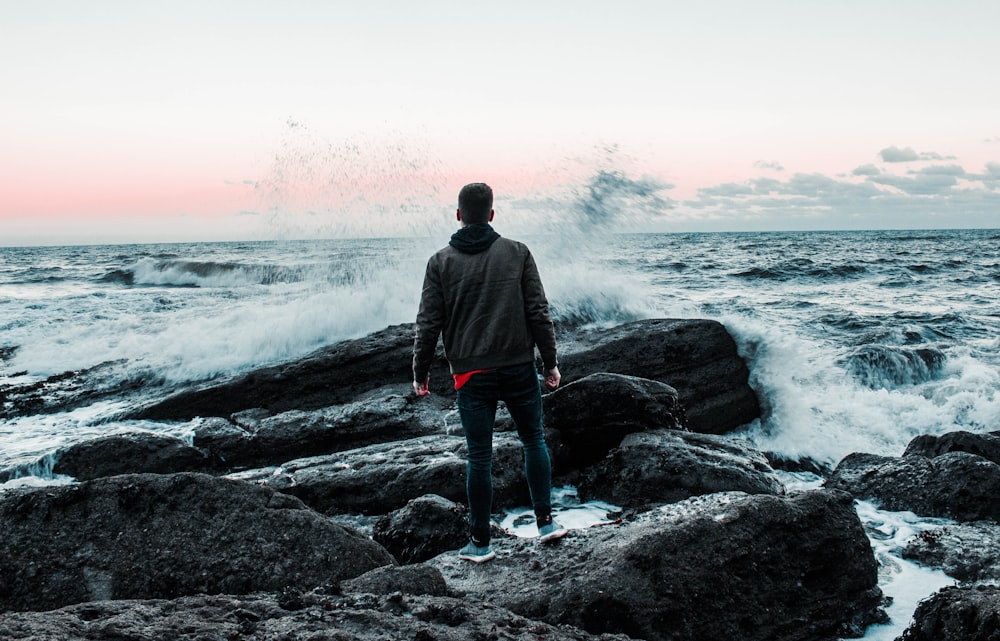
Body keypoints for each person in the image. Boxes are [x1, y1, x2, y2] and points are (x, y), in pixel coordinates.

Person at [412, 182, 567, 562]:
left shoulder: (440, 262)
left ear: (459, 215)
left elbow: (428, 323)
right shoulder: (517, 252)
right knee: (533, 440)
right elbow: (538, 312)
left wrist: (420, 371)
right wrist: (550, 362)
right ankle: (545, 523)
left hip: (471, 376)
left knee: (479, 457)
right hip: (517, 368)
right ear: (492, 214)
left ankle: (480, 544)